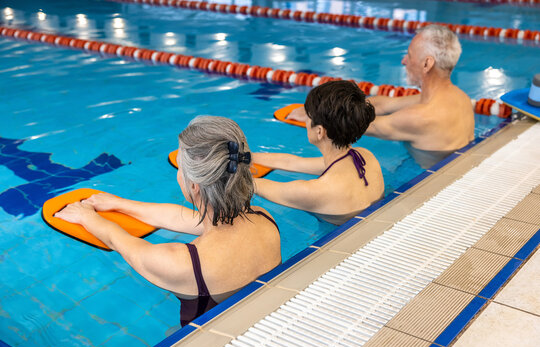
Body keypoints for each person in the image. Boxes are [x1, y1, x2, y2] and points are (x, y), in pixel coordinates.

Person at [55, 116, 281, 327]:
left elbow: (118, 240)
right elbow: (182, 218)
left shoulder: (183, 264)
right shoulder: (263, 218)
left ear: (194, 186)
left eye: (181, 169)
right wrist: (121, 204)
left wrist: (86, 216)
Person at [289, 24, 475, 169]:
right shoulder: (459, 97)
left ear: (427, 64)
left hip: (427, 183)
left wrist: (315, 115)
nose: (404, 61)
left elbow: (349, 122)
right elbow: (386, 104)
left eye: (409, 56)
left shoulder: (422, 117)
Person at [254, 80, 384, 226]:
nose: (305, 122)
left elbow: (252, 185)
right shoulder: (365, 157)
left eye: (308, 117)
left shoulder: (317, 191)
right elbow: (294, 162)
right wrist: (248, 157)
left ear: (320, 131)